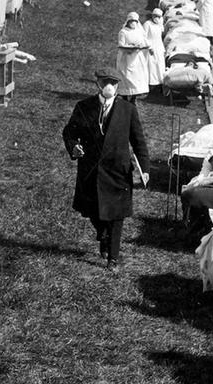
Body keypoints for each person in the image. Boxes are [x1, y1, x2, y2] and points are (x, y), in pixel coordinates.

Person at [62, 68, 150, 270]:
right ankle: (102, 233)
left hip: (118, 169)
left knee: (116, 214)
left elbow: (139, 141)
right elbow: (69, 132)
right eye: (105, 82)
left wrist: (144, 167)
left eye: (113, 82)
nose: (109, 86)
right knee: (93, 210)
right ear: (98, 85)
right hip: (90, 169)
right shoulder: (84, 107)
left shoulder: (128, 111)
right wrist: (74, 146)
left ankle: (113, 258)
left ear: (118, 86)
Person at [116, 12, 150, 102]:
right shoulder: (123, 32)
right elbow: (120, 45)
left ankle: (133, 98)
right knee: (126, 76)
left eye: (135, 21)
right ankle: (125, 96)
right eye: (131, 21)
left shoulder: (139, 32)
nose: (133, 23)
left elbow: (145, 43)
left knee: (136, 77)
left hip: (137, 58)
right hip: (126, 58)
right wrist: (130, 47)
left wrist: (140, 46)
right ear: (128, 21)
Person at [143, 9, 166, 92]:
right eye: (155, 16)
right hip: (151, 48)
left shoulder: (159, 24)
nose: (156, 18)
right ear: (152, 16)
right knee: (151, 67)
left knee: (160, 66)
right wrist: (149, 47)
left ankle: (160, 84)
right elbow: (144, 37)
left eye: (158, 16)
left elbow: (161, 35)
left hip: (159, 47)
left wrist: (163, 49)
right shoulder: (147, 24)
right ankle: (151, 85)